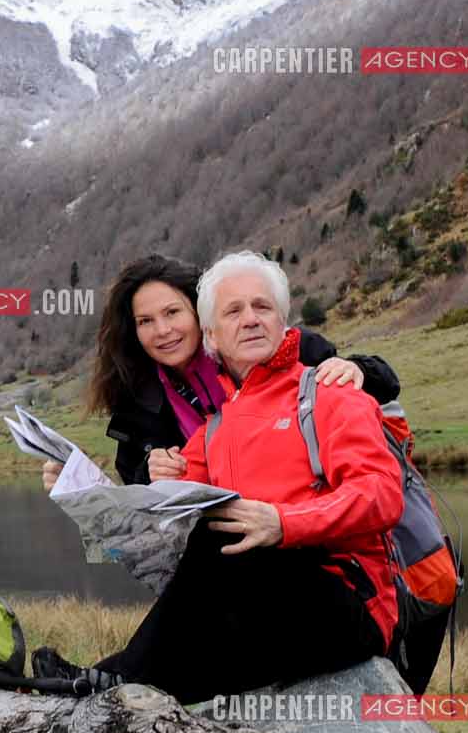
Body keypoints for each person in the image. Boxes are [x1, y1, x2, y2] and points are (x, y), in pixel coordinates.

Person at [35, 251, 406, 702]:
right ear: (212, 335)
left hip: (348, 606)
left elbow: (383, 494)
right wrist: (83, 490)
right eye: (233, 311)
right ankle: (95, 683)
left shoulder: (329, 393)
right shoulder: (218, 426)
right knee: (197, 650)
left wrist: (282, 523)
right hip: (264, 613)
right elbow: (155, 520)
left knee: (221, 537)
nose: (250, 320)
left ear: (284, 320)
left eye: (262, 307)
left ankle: (119, 678)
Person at [43, 254, 398, 489]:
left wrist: (355, 370)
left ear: (201, 313)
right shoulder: (137, 398)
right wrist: (141, 473)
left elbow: (383, 384)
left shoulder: (262, 347)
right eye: (145, 321)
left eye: (172, 313)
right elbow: (138, 490)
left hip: (304, 516)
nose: (162, 331)